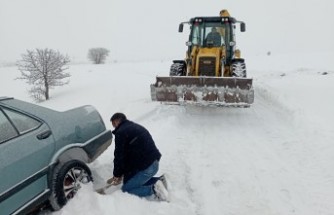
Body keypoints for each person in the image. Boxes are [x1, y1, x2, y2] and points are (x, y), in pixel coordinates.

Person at [107, 112, 169, 201]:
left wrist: (117, 175)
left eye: (113, 124)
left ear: (117, 121)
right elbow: (128, 155)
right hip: (154, 163)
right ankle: (160, 180)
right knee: (131, 180)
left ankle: (155, 189)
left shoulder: (121, 133)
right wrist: (122, 174)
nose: (113, 127)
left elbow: (119, 157)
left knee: (126, 189)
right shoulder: (134, 127)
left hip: (147, 168)